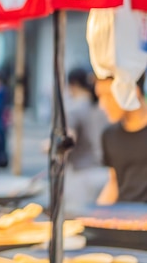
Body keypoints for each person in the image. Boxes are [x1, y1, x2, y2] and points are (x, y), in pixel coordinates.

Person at [62, 67, 109, 214]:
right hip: (105, 174)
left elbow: (69, 138)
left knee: (78, 224)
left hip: (81, 176)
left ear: (73, 85)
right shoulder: (105, 107)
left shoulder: (74, 109)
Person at [96, 72, 147, 204]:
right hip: (123, 217)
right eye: (100, 97)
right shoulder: (109, 135)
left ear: (133, 92)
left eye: (109, 96)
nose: (102, 105)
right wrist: (94, 216)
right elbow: (113, 183)